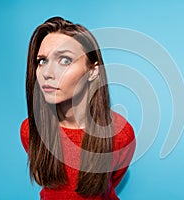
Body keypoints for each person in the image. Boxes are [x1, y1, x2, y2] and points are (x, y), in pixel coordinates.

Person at [20, 16, 136, 200]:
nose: (47, 73)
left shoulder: (121, 135)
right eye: (42, 61)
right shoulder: (31, 130)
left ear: (93, 71)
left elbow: (112, 182)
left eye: (65, 60)